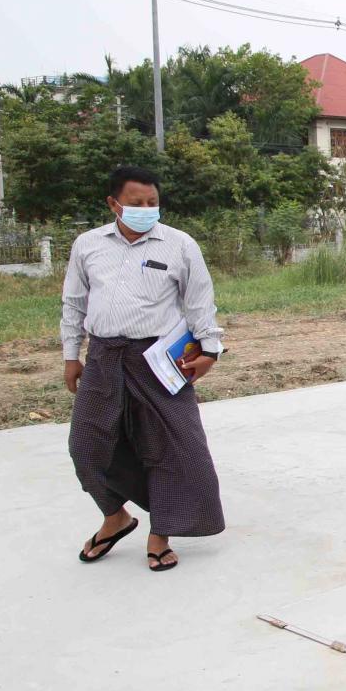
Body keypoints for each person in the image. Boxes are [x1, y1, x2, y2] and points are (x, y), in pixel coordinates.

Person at [63, 165, 226, 573]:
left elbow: (200, 301)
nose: (146, 209)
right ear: (113, 204)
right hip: (103, 358)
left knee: (174, 447)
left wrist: (210, 350)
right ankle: (115, 517)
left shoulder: (179, 244)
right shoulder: (88, 245)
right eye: (136, 203)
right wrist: (71, 355)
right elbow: (74, 303)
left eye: (152, 202)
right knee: (86, 445)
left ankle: (161, 533)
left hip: (160, 360)